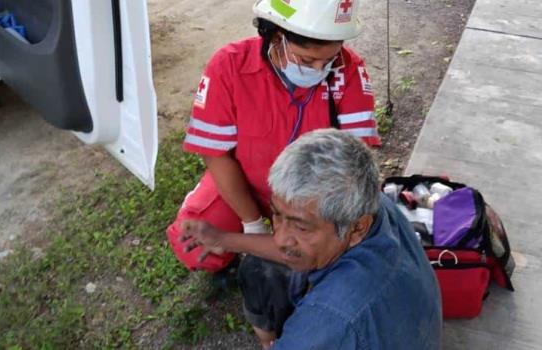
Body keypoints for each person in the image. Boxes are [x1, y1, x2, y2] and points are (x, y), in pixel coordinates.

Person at [166, 0, 381, 273]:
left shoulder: (348, 72)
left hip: (312, 199)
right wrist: (251, 223)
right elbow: (216, 154)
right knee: (193, 242)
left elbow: (355, 167)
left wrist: (308, 223)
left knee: (334, 247)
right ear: (276, 35)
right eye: (307, 60)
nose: (318, 71)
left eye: (327, 61)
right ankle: (239, 257)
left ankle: (286, 251)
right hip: (247, 184)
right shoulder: (230, 66)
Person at [180, 129, 442, 349]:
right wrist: (223, 239)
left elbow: (330, 322)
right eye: (277, 214)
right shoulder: (373, 205)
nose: (281, 238)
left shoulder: (330, 318)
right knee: (258, 268)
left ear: (357, 228)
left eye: (301, 228)